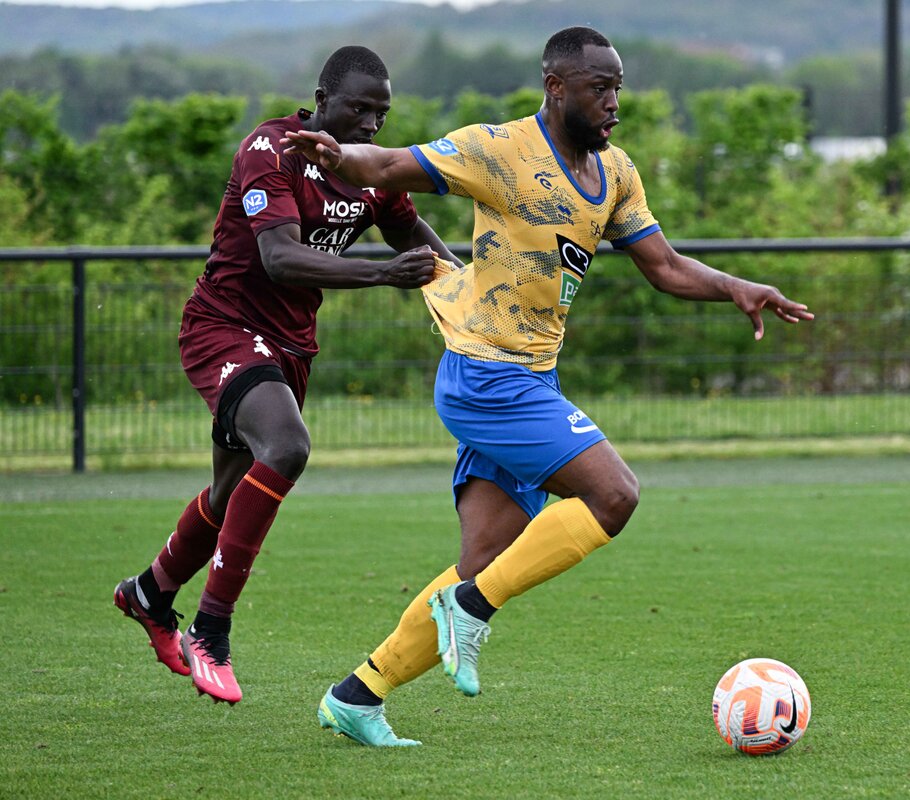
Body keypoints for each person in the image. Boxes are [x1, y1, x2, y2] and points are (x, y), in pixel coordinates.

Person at [285, 26, 815, 747]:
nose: (614, 103)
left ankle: (358, 695)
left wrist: (735, 287)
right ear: (556, 87)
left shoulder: (615, 173)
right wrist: (338, 156)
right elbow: (388, 163)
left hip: (532, 375)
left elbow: (664, 266)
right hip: (485, 375)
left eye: (618, 88)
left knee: (481, 563)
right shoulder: (499, 151)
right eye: (600, 88)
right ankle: (472, 611)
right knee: (614, 495)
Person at [113, 45, 462, 706]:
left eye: (382, 113)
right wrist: (382, 274)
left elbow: (410, 231)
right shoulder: (270, 151)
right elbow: (279, 258)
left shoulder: (370, 170)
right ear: (322, 101)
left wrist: (470, 289)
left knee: (229, 496)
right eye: (359, 108)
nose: (371, 124)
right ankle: (211, 631)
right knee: (287, 446)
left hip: (290, 346)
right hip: (222, 325)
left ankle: (150, 593)